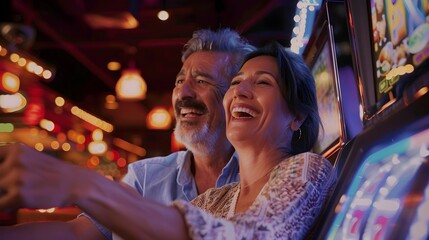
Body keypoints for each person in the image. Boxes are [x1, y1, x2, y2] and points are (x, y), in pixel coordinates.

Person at [0, 41, 336, 239]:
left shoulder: (308, 169)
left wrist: (82, 185)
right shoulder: (220, 198)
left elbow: (249, 235)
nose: (241, 91)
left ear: (297, 117)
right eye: (236, 82)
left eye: (261, 83)